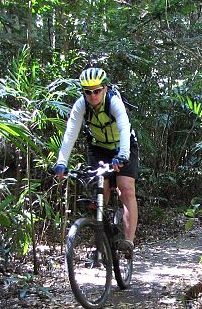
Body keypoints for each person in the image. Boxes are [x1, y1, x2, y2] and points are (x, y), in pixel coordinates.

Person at [53, 67, 139, 252]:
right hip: (99, 147)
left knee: (126, 188)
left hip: (123, 146)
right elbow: (70, 133)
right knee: (100, 190)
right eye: (88, 92)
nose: (93, 95)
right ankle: (100, 237)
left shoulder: (114, 102)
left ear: (105, 89)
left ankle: (128, 241)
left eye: (97, 90)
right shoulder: (81, 105)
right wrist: (61, 162)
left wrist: (122, 155)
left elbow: (124, 127)